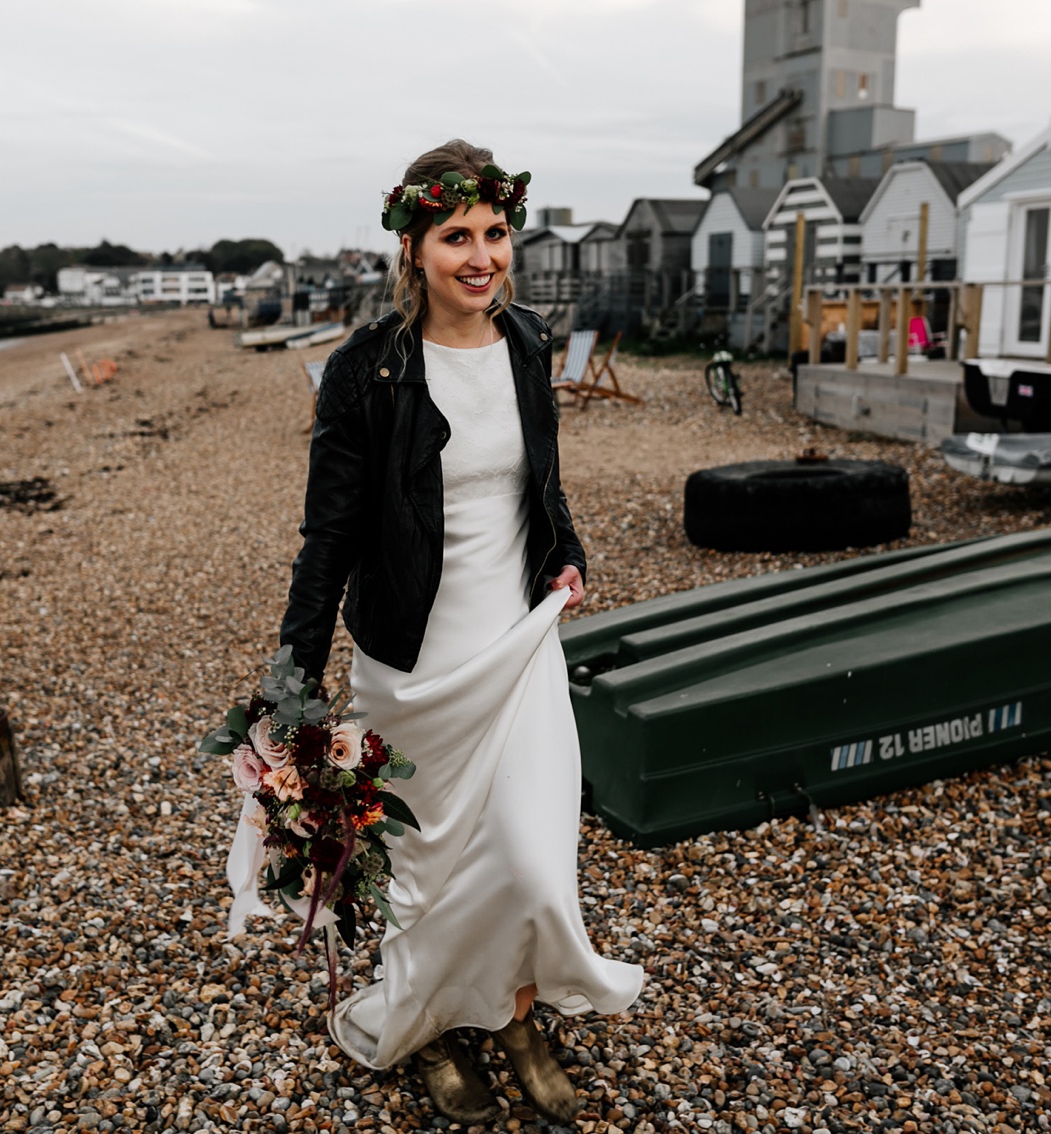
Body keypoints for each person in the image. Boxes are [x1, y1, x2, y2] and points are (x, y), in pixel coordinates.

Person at [277, 139, 643, 1124]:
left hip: (517, 645)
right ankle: (434, 1030)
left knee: (528, 855)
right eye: (455, 237)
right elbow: (329, 534)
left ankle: (518, 1015)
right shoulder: (368, 370)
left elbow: (543, 485)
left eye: (493, 232)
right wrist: (293, 678)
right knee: (426, 865)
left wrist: (564, 550)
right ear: (413, 248)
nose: (480, 256)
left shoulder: (525, 342)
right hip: (414, 660)